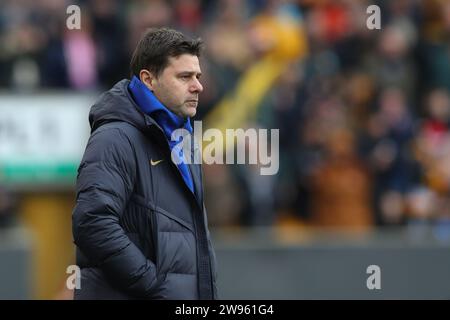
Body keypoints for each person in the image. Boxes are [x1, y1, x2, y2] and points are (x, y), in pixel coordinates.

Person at [72, 27, 217, 299]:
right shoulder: (114, 137)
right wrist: (154, 286)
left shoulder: (183, 139)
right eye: (184, 76)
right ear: (149, 79)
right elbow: (92, 222)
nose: (198, 85)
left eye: (197, 76)